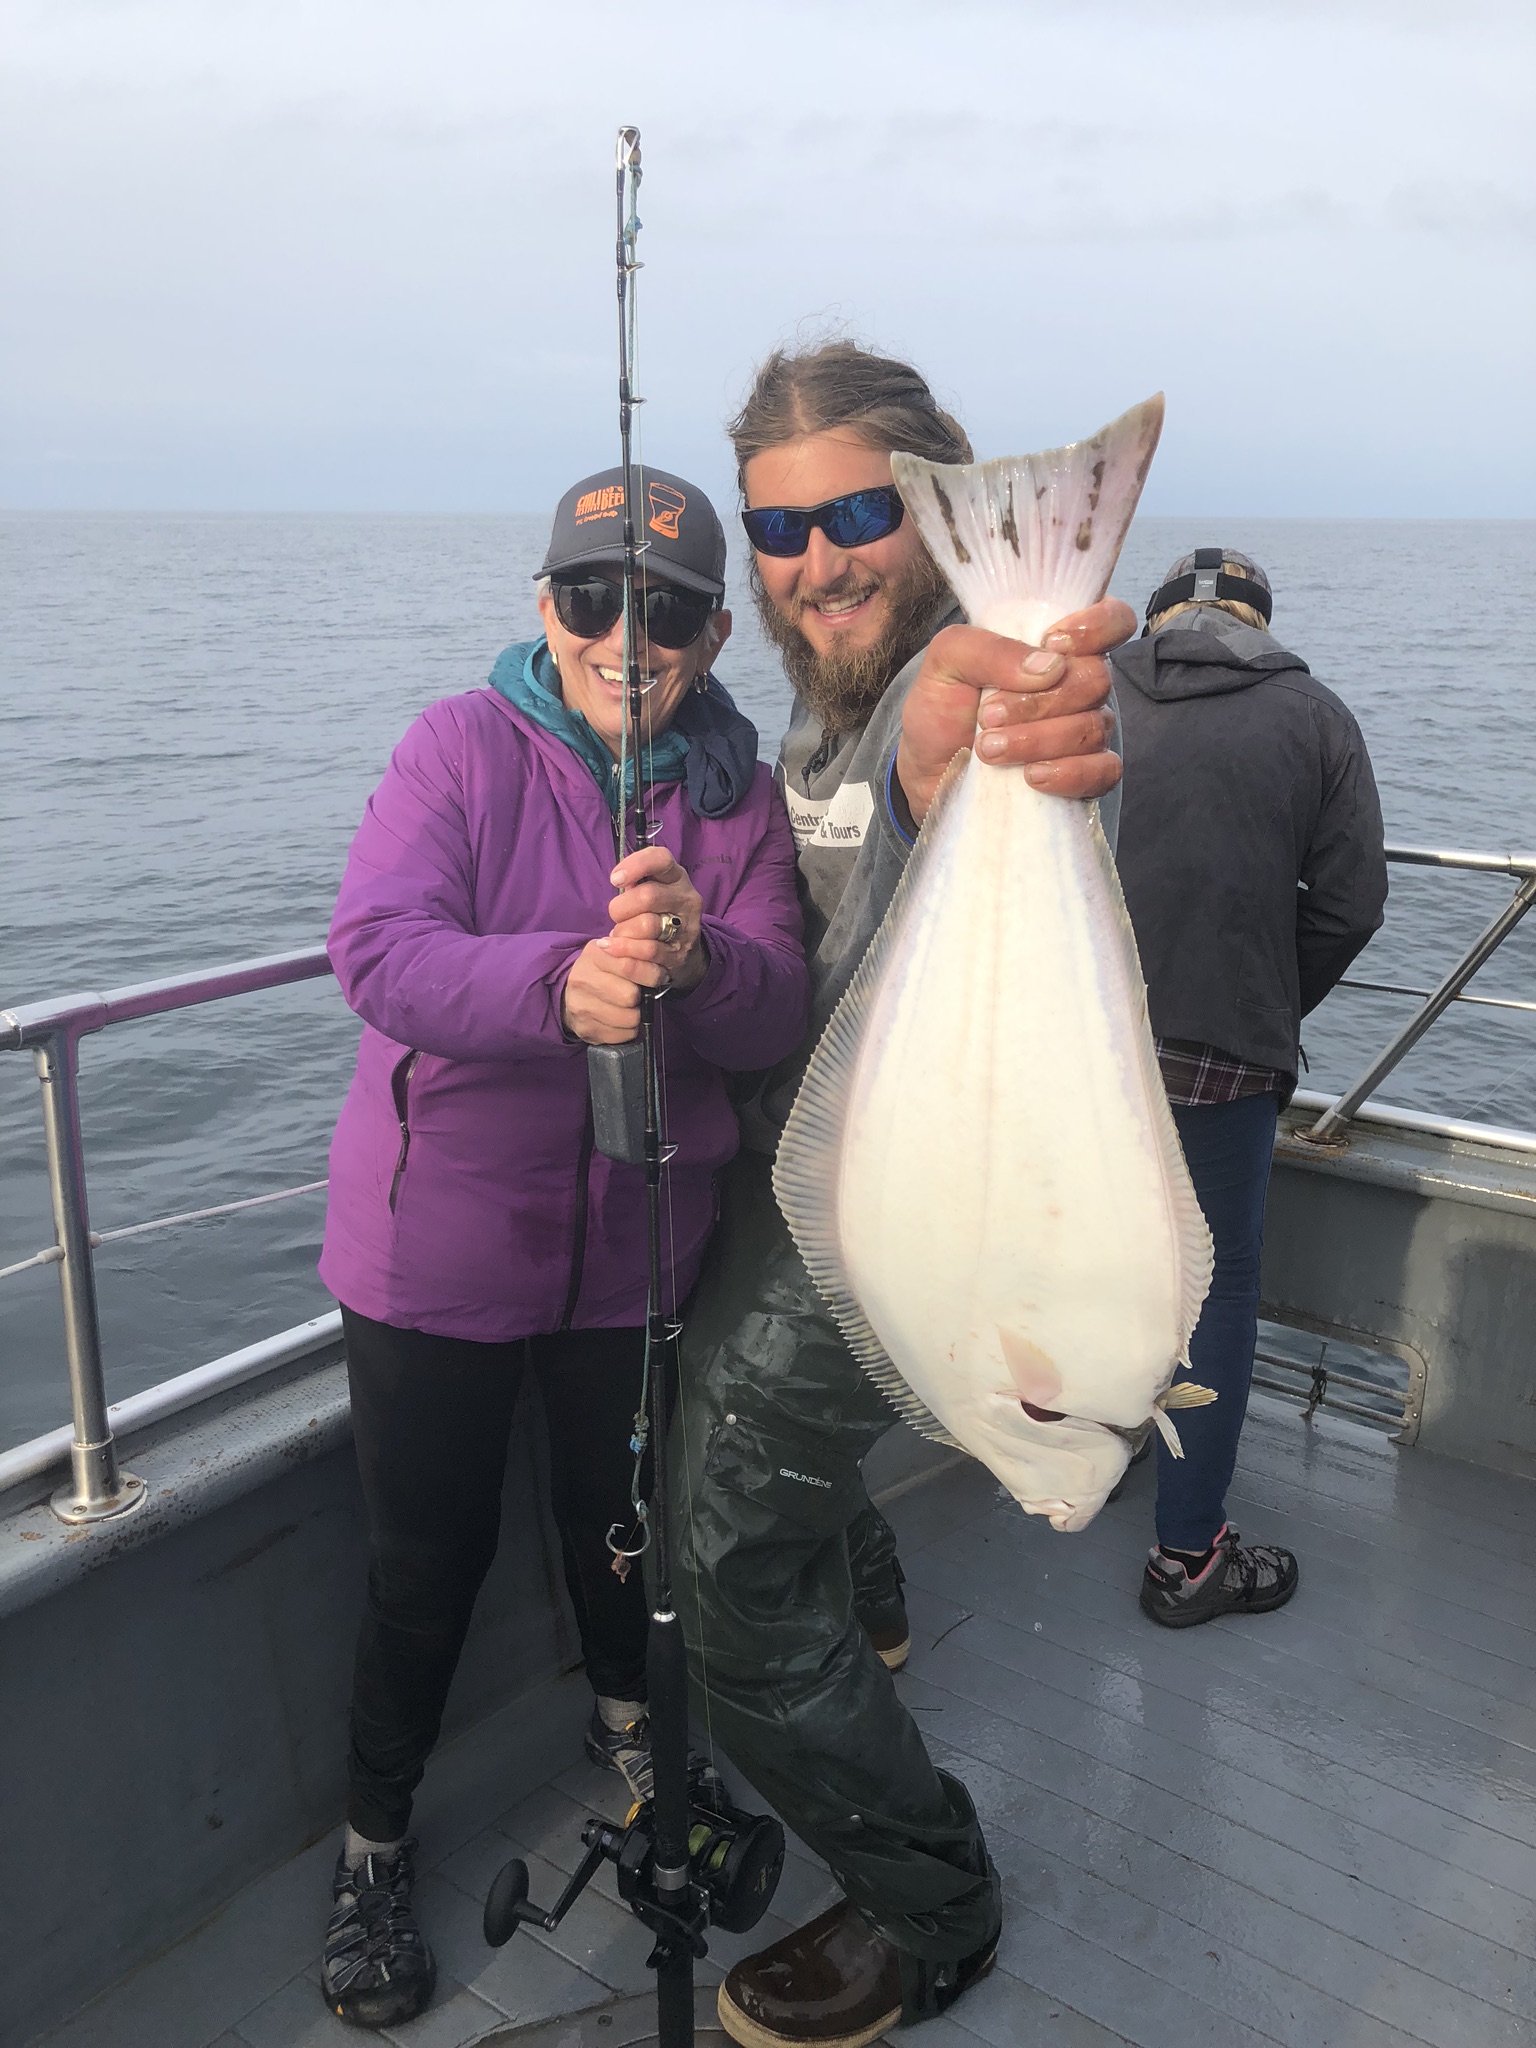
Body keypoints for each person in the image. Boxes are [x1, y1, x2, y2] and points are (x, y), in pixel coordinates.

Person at [669, 341, 1132, 2048]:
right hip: (798, 1166)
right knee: (752, 1466)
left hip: (909, 1208)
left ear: (939, 507)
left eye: (863, 511)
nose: (819, 559)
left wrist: (1015, 706)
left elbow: (979, 738)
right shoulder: (806, 700)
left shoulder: (940, 674)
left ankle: (935, 1901)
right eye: (778, 530)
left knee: (722, 1546)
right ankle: (861, 1607)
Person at [314, 466, 808, 2028]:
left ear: (714, 631)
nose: (625, 634)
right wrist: (560, 989)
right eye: (592, 598)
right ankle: (375, 1845)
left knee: (626, 1531)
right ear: (545, 608)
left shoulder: (737, 798)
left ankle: (641, 1740)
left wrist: (699, 954)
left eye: (662, 609)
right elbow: (380, 950)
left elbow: (780, 1003)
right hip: (435, 1252)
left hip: (639, 1252)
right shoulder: (455, 747)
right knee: (422, 1567)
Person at [1111, 548, 1387, 1627]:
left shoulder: (1092, 692)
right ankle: (1188, 1557)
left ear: (1159, 617)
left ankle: (1087, 1456)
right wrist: (1271, 1003)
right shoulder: (1315, 715)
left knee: (1103, 1260)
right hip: (1223, 1056)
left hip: (1087, 1052)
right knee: (1212, 1292)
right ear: (1262, 624)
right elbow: (1352, 903)